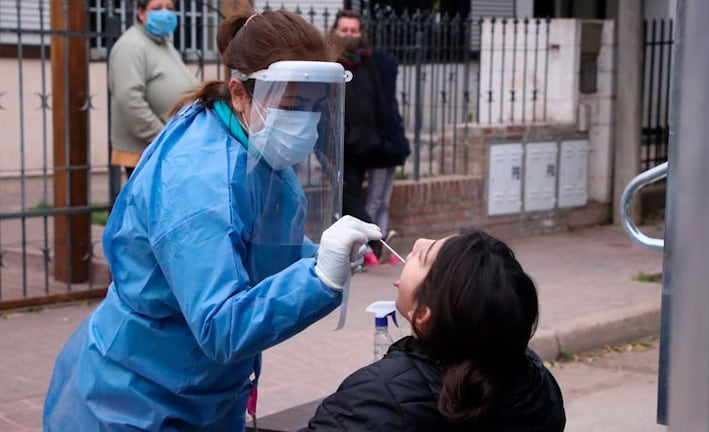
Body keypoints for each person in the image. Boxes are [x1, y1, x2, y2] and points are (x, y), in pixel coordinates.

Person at [43, 9, 382, 431]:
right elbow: (221, 325)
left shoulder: (256, 149)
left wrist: (322, 255)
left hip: (203, 391)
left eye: (315, 106)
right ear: (239, 92)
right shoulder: (197, 185)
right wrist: (319, 279)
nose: (306, 121)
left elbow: (260, 253)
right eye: (294, 105)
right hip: (137, 400)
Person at [301, 230, 566, 431]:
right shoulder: (535, 380)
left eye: (423, 259)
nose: (418, 243)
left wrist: (313, 280)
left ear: (423, 312)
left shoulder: (377, 397)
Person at [330, 10, 410, 265]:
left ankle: (367, 249)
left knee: (372, 199)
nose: (350, 35)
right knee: (347, 199)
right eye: (345, 30)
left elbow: (381, 102)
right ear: (335, 31)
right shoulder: (330, 63)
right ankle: (369, 245)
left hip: (367, 144)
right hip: (339, 145)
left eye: (354, 30)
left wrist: (381, 137)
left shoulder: (369, 62)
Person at [108, 0, 197, 179]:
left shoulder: (163, 43)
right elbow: (129, 100)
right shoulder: (131, 45)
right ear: (141, 13)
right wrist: (163, 136)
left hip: (169, 146)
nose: (165, 14)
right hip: (148, 150)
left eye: (170, 9)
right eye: (157, 8)